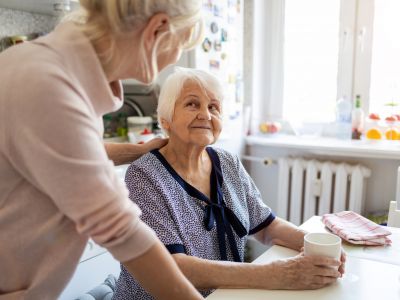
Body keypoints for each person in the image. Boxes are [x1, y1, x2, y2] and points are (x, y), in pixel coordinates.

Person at [0, 1, 205, 299]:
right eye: (180, 45)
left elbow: (78, 150)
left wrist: (138, 150)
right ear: (157, 30)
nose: (175, 58)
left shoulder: (63, 71)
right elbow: (120, 229)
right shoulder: (48, 83)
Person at [113, 67, 346, 299]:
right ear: (166, 120)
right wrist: (275, 274)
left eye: (213, 107)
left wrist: (314, 245)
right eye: (192, 104)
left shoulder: (227, 162)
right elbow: (173, 266)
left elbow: (266, 225)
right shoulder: (144, 176)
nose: (206, 115)